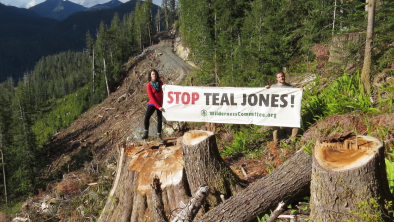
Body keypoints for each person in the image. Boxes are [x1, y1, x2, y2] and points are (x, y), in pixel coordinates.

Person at [265, 71, 303, 145]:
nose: (281, 78)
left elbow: (295, 96)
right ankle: (276, 143)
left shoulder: (290, 87)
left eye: (282, 76)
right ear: (277, 79)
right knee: (275, 127)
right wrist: (266, 88)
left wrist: (300, 91)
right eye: (279, 77)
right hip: (276, 110)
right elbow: (266, 94)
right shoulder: (273, 87)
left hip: (286, 110)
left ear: (284, 76)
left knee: (296, 123)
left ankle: (292, 140)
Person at [142, 69, 165, 142]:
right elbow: (151, 97)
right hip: (152, 103)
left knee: (159, 119)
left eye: (155, 74)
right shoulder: (149, 85)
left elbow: (165, 90)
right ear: (150, 76)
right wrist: (158, 106)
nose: (154, 75)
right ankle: (146, 132)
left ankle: (159, 136)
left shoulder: (160, 83)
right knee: (147, 117)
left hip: (160, 104)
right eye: (152, 74)